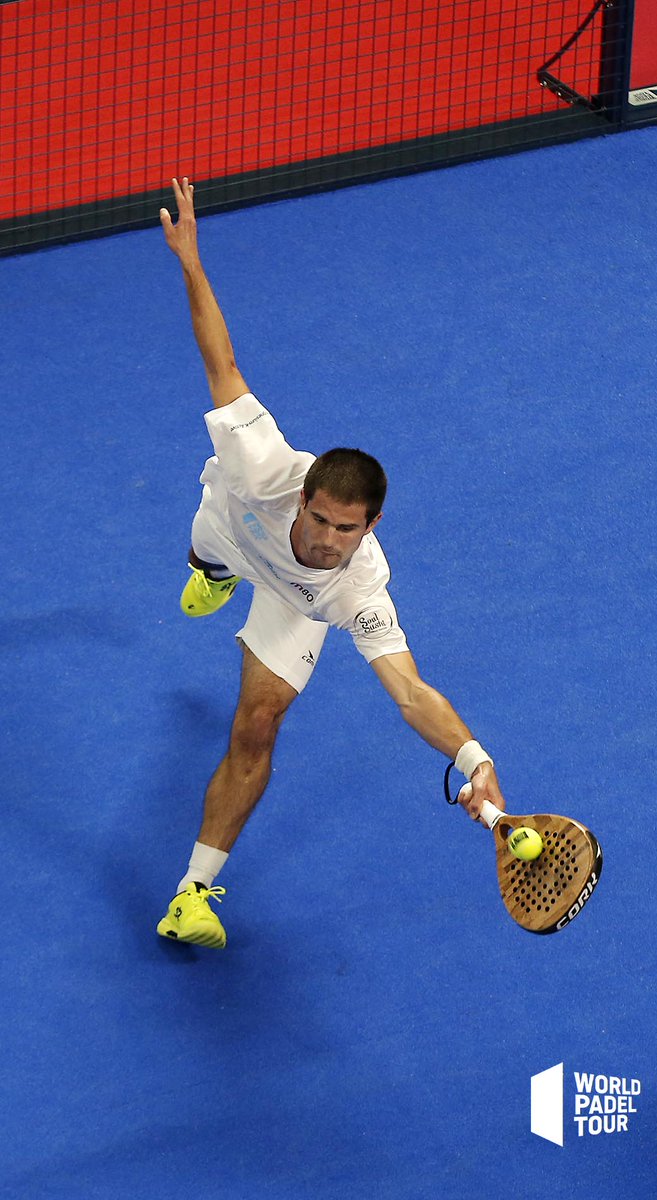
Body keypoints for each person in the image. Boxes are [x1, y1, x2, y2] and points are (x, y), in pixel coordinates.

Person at [156, 177, 505, 948]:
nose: (324, 538)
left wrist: (472, 755)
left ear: (369, 524)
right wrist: (190, 261)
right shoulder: (261, 466)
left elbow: (409, 691)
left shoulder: (357, 582)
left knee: (259, 720)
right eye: (316, 518)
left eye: (344, 529)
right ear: (303, 493)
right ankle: (212, 577)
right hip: (227, 533)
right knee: (201, 555)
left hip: (294, 605)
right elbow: (220, 358)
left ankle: (191, 892)